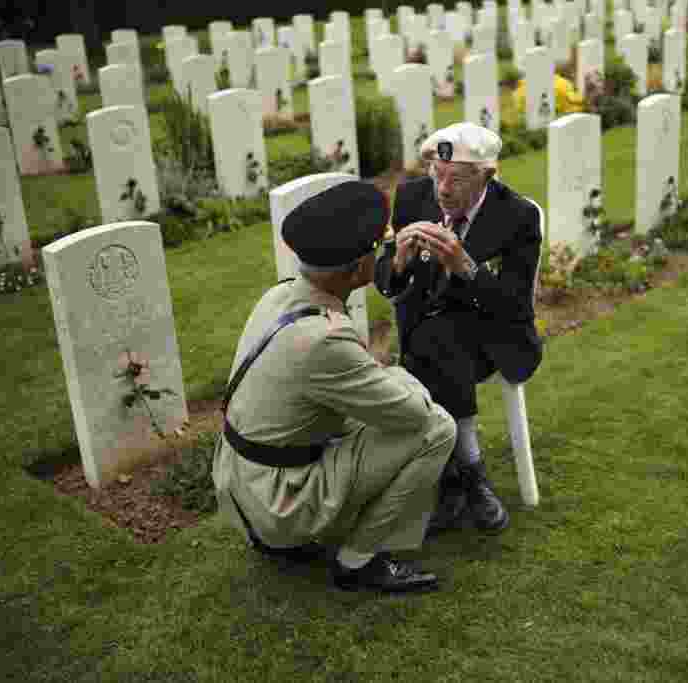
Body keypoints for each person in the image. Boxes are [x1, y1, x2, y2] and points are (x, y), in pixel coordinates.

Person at [211, 181, 457, 594]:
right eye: (377, 250)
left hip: (238, 483)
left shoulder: (279, 297)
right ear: (358, 268)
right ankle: (358, 562)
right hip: (277, 503)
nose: (381, 256)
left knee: (388, 399)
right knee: (436, 427)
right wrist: (409, 381)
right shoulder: (323, 339)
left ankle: (299, 539)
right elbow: (412, 415)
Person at [374, 122, 543, 536]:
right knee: (434, 339)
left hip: (491, 338)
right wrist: (397, 262)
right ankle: (468, 474)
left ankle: (454, 479)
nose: (443, 189)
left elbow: (515, 306)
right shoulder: (412, 197)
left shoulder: (517, 216)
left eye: (456, 179)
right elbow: (386, 279)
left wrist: (465, 267)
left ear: (486, 176)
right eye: (437, 174)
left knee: (435, 341)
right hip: (429, 338)